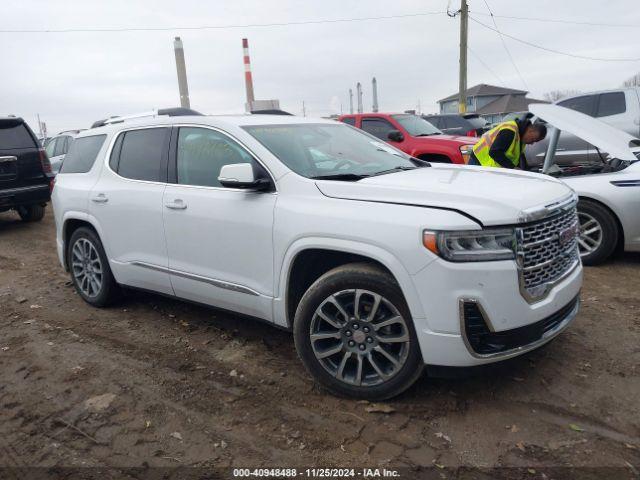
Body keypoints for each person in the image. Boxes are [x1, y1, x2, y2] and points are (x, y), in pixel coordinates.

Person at [469, 116, 547, 169]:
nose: (532, 143)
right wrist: (513, 168)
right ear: (530, 131)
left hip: (486, 163)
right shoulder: (509, 131)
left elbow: (515, 158)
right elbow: (494, 152)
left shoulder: (521, 136)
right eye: (533, 139)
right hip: (478, 161)